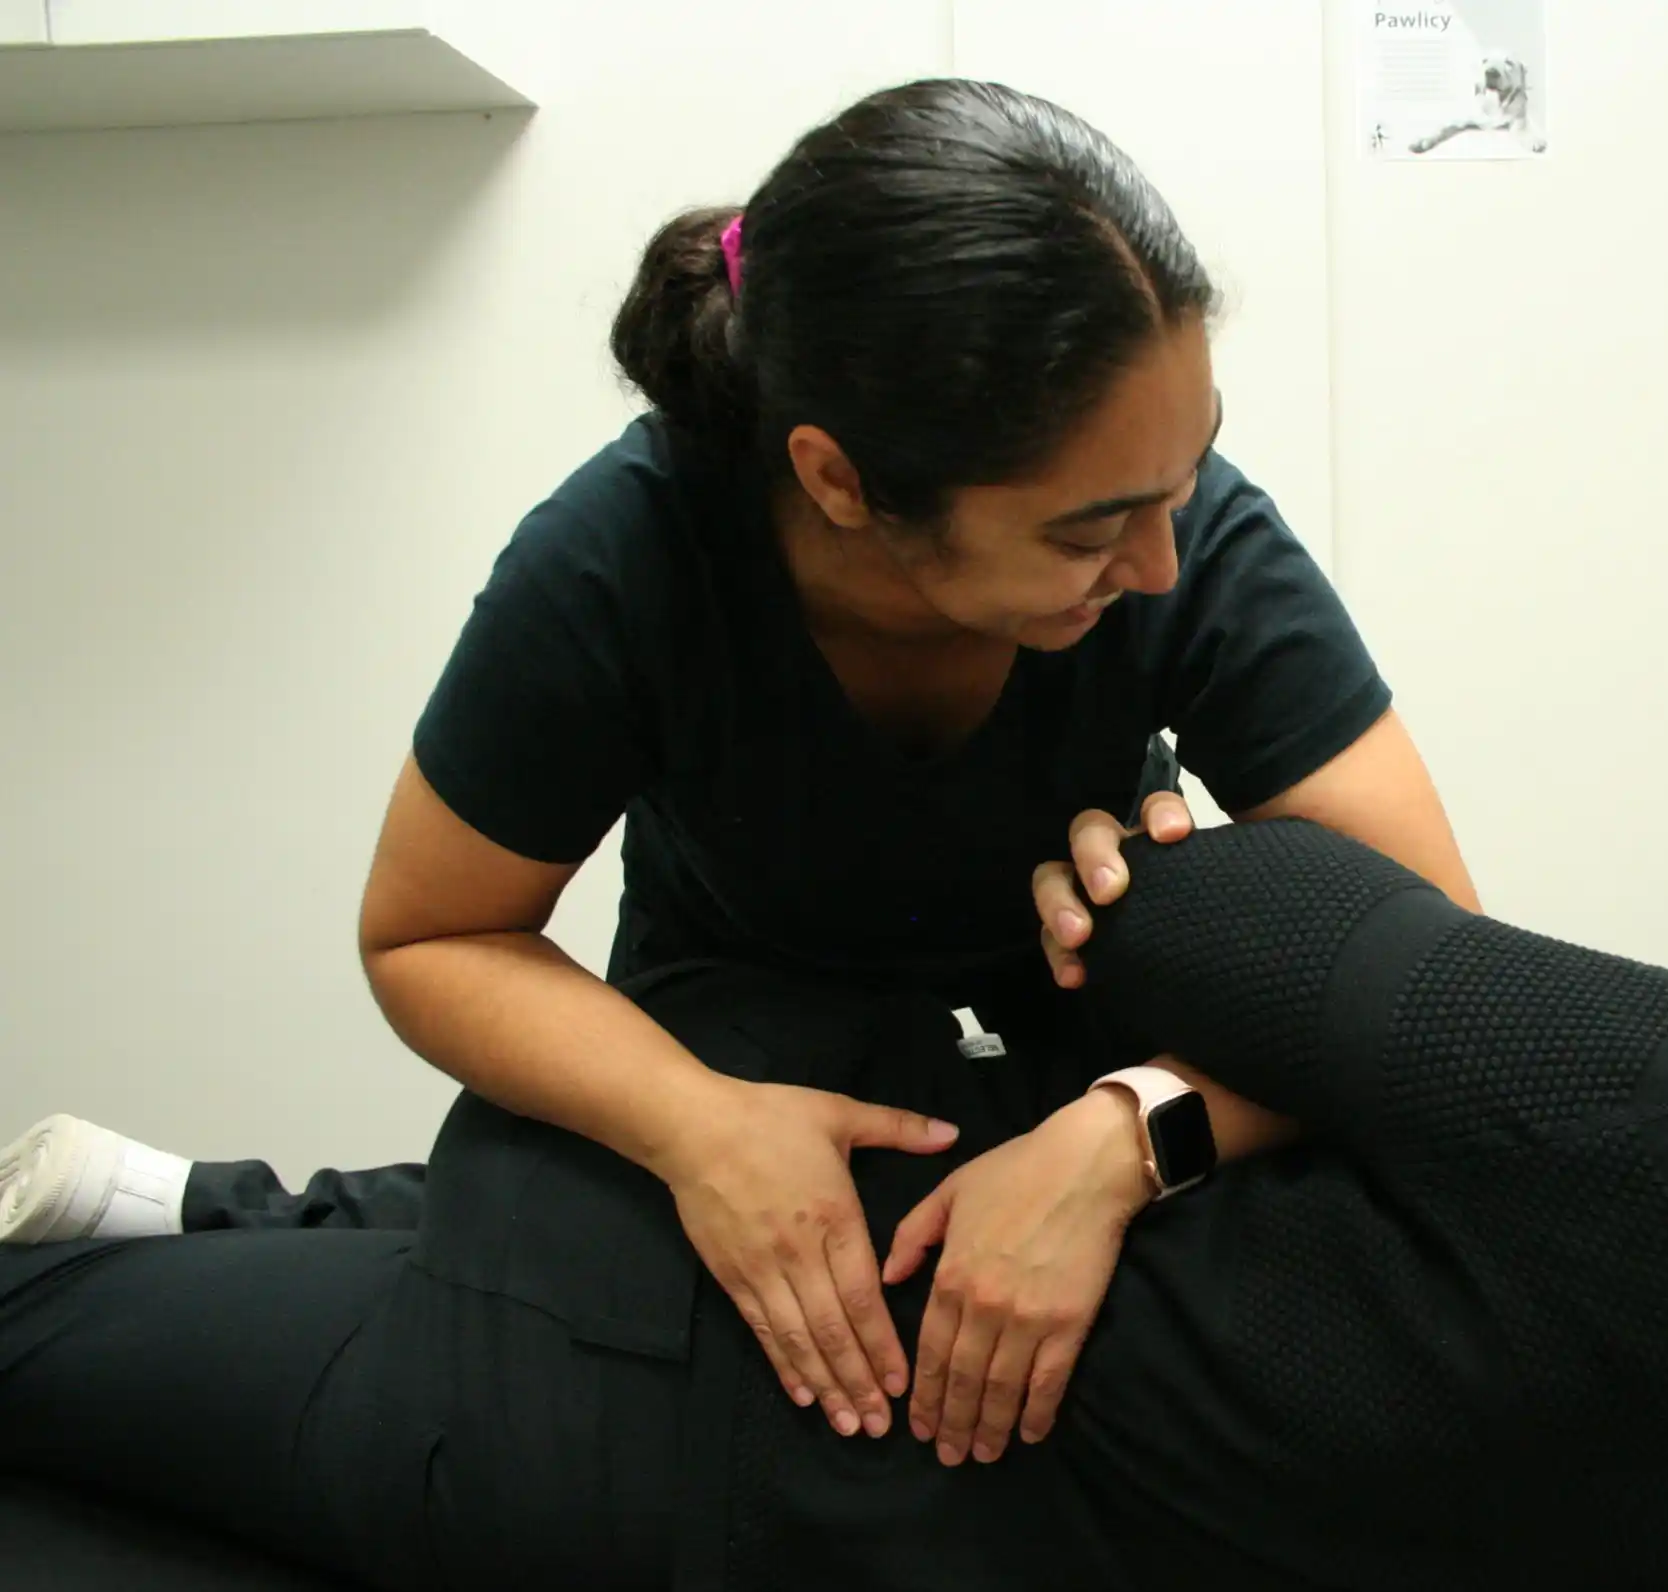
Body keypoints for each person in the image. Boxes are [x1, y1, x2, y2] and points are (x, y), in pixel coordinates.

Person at [0, 816, 1668, 1592]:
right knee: (297, 1227)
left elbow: (1162, 904)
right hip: (755, 1552)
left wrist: (1138, 1084)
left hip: (634, 1381)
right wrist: (1161, 1122)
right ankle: (196, 1202)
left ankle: (159, 1235)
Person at [0, 76, 1476, 1458]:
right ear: (840, 480)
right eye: (1088, 532)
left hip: (1068, 1029)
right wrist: (698, 1130)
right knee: (601, 1391)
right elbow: (432, 934)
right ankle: (181, 1233)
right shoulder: (622, 556)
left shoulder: (1181, 531)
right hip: (732, 1040)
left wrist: (1132, 1131)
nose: (1160, 562)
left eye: (1185, 473)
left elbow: (1437, 964)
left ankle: (204, 1205)